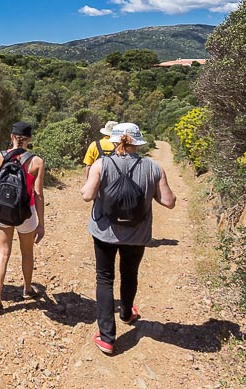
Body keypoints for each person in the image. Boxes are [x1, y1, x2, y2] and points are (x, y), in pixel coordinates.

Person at [80, 122, 176, 355]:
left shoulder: (102, 164)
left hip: (104, 231)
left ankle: (106, 337)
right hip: (137, 233)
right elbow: (169, 202)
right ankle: (126, 313)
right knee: (129, 273)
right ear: (138, 143)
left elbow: (87, 195)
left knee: (104, 278)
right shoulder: (154, 167)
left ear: (113, 141)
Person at [0, 121, 45, 314]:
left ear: (11, 137)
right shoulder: (36, 162)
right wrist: (41, 224)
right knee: (27, 253)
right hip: (26, 213)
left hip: (3, 212)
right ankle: (27, 289)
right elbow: (38, 194)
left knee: (3, 252)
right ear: (30, 139)